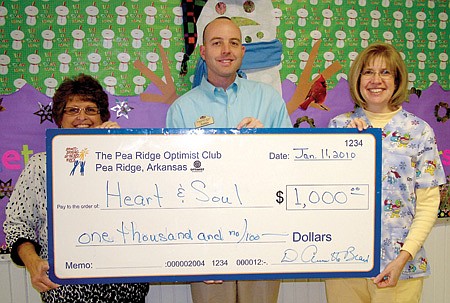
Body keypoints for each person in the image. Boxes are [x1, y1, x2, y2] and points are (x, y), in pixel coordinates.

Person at [166, 17, 292, 303]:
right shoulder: (182, 110)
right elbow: (175, 184)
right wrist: (194, 248)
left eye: (234, 42)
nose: (226, 50)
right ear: (203, 51)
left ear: (243, 51)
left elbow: (289, 164)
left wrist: (267, 144)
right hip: (206, 238)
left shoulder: (269, 100)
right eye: (217, 43)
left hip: (263, 232)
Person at [3, 74, 150, 303]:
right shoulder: (41, 165)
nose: (82, 117)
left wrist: (118, 149)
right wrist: (33, 263)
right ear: (59, 119)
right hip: (64, 292)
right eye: (72, 110)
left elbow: (151, 212)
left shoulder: (127, 159)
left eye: (91, 110)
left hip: (125, 290)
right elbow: (17, 225)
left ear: (103, 116)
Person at [326, 43, 446, 302]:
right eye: (368, 72)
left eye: (385, 73)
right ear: (357, 79)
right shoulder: (338, 127)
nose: (376, 80)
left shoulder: (419, 131)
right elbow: (321, 193)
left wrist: (404, 257)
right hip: (344, 263)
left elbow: (428, 204)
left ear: (397, 80)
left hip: (400, 268)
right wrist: (345, 146)